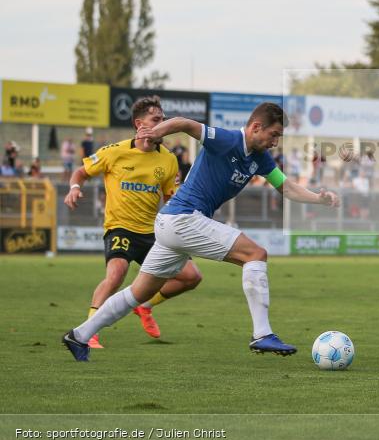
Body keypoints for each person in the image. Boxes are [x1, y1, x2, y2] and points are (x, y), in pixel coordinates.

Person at [62, 102, 340, 361]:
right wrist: (156, 131)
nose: (275, 141)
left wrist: (318, 198)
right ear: (256, 127)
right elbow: (184, 123)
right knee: (255, 254)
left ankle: (79, 335)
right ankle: (262, 334)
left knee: (137, 293)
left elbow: (287, 188)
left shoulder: (261, 158)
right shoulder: (228, 140)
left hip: (172, 224)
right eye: (274, 134)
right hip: (183, 219)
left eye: (279, 137)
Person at [64, 96, 202, 349]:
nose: (163, 124)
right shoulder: (114, 152)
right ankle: (89, 332)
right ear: (140, 124)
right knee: (116, 275)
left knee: (191, 277)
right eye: (156, 119)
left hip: (154, 232)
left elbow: (173, 197)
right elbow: (81, 172)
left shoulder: (169, 159)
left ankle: (145, 306)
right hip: (120, 227)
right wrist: (74, 188)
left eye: (164, 119)